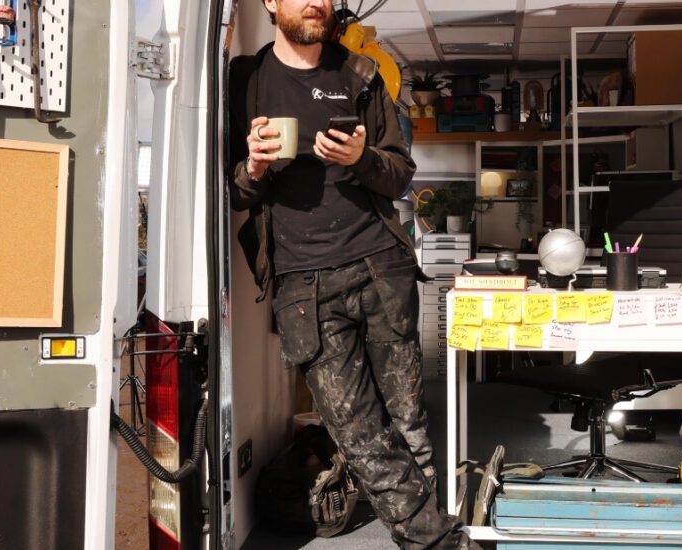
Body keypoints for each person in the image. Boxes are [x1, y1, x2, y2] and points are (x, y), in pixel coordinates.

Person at [227, 0, 473, 548]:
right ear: (270, 3)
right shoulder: (247, 82)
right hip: (303, 287)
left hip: (381, 269)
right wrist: (255, 167)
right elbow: (236, 190)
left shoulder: (360, 73)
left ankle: (430, 538)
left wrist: (362, 157)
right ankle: (440, 542)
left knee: (408, 423)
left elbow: (399, 175)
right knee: (358, 433)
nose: (316, 1)